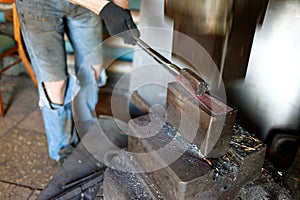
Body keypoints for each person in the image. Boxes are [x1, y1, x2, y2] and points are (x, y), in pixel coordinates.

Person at [15, 0, 140, 162]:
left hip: (85, 5)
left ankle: (85, 130)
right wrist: (106, 8)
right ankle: (63, 147)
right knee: (56, 85)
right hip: (38, 5)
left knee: (93, 69)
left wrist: (121, 9)